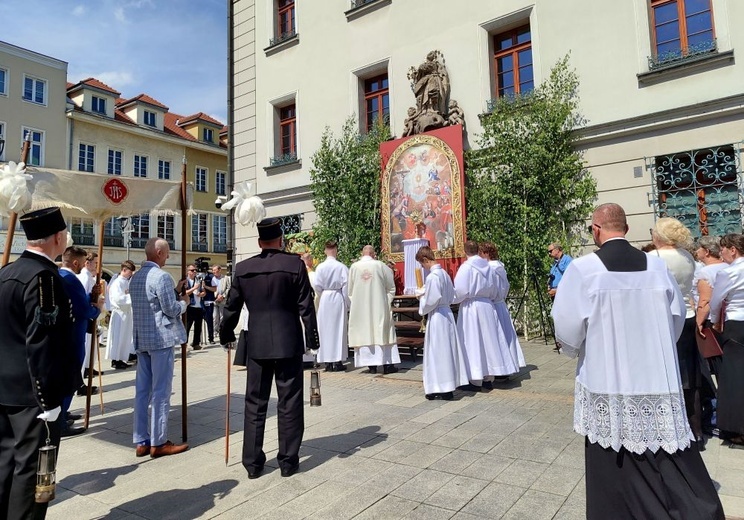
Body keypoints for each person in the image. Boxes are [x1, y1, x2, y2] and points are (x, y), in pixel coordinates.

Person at [552, 203, 723, 520]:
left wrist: (572, 349)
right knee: (663, 453)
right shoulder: (656, 268)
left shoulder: (583, 269)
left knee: (613, 451)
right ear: (627, 229)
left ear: (596, 230)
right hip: (655, 377)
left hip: (607, 376)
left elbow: (567, 327)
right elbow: (674, 321)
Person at [219, 217, 319, 479]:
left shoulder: (243, 268)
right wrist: (313, 339)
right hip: (288, 341)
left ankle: (253, 464)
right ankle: (288, 461)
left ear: (259, 241)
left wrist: (225, 333)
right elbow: (306, 306)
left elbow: (231, 307)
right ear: (280, 239)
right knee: (290, 402)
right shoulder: (294, 264)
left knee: (255, 403)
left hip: (257, 343)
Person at [0, 207, 79, 519]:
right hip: (33, 395)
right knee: (33, 472)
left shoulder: (6, 272)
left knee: (6, 463)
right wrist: (48, 399)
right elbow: (42, 342)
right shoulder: (45, 279)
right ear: (58, 238)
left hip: (7, 389)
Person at [130, 238, 189, 458]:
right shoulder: (161, 276)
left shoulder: (136, 277)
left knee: (142, 392)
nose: (168, 256)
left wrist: (175, 291)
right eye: (166, 253)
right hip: (160, 339)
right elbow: (171, 309)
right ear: (158, 252)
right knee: (161, 392)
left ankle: (141, 439)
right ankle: (159, 441)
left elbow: (152, 304)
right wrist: (184, 301)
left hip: (142, 339)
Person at [651, 217, 703, 444]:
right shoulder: (688, 256)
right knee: (689, 375)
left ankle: (670, 426)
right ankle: (697, 429)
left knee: (664, 373)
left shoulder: (654, 258)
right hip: (688, 315)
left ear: (659, 236)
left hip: (664, 318)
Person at [454, 240, 516, 390]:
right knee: (489, 341)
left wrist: (452, 299)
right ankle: (488, 377)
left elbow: (460, 290)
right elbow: (495, 288)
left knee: (473, 341)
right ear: (477, 250)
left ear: (465, 251)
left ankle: (475, 379)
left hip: (472, 306)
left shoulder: (466, 267)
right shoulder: (488, 267)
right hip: (487, 305)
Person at [59, 246, 103, 436]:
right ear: (76, 262)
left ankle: (62, 413)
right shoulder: (71, 280)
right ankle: (60, 421)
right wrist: (97, 308)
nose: (85, 265)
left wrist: (89, 296)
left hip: (65, 333)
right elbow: (83, 310)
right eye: (84, 262)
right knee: (71, 375)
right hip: (75, 333)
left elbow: (76, 301)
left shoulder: (59, 275)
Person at [415, 246, 468, 400]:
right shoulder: (444, 273)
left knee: (437, 351)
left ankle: (438, 387)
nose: (423, 267)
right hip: (447, 314)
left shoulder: (433, 276)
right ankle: (448, 387)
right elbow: (451, 294)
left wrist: (421, 299)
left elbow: (431, 300)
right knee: (447, 351)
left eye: (422, 264)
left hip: (437, 316)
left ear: (425, 260)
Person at [709, 233, 744, 447]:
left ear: (733, 249)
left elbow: (716, 302)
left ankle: (738, 428)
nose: (720, 253)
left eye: (723, 248)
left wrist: (714, 322)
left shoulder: (728, 273)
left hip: (736, 324)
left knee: (735, 377)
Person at [692, 236, 726, 438]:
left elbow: (704, 301)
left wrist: (697, 323)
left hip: (709, 325)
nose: (697, 252)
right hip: (725, 324)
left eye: (699, 249)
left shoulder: (705, 271)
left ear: (706, 251)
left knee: (707, 372)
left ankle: (714, 416)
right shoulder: (726, 267)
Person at [348, 245, 400, 374]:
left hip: (361, 309)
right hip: (379, 308)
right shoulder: (381, 266)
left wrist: (357, 303)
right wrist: (385, 301)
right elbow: (391, 288)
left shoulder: (354, 267)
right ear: (374, 254)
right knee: (382, 332)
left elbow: (350, 291)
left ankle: (371, 366)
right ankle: (387, 364)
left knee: (364, 332)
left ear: (362, 253)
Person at [479, 242, 526, 373]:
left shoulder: (490, 269)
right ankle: (509, 364)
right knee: (506, 336)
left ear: (486, 253)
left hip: (494, 304)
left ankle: (501, 368)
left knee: (497, 337)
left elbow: (489, 287)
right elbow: (506, 286)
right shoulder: (500, 267)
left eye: (481, 253)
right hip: (500, 304)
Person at [314, 241, 350, 372]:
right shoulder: (341, 267)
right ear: (336, 250)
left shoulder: (320, 267)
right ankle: (338, 361)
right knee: (338, 330)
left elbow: (317, 286)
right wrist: (347, 303)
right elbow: (346, 287)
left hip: (325, 298)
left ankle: (328, 362)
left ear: (325, 251)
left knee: (325, 330)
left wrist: (323, 294)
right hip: (337, 297)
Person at [106, 260, 136, 370]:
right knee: (118, 337)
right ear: (124, 270)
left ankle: (121, 358)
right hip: (119, 313)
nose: (131, 274)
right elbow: (118, 299)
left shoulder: (126, 282)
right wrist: (132, 297)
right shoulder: (117, 283)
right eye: (130, 272)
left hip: (126, 313)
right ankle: (115, 359)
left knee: (124, 337)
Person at [77, 251, 101, 380]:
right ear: (87, 263)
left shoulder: (88, 277)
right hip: (87, 317)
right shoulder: (85, 278)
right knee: (84, 348)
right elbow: (86, 299)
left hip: (88, 316)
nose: (97, 266)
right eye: (95, 263)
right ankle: (82, 377)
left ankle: (86, 369)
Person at [178, 264, 206, 350]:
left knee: (198, 326)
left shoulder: (199, 280)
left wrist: (201, 293)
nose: (194, 272)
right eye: (192, 270)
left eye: (195, 270)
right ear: (188, 272)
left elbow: (204, 292)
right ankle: (184, 343)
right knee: (187, 326)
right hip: (189, 306)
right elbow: (183, 293)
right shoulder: (185, 281)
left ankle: (196, 343)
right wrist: (194, 288)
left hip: (199, 306)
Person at [201, 264, 217, 345]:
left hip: (209, 301)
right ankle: (197, 340)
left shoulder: (211, 277)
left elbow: (214, 289)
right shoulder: (197, 276)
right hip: (199, 301)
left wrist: (205, 286)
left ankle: (211, 338)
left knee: (209, 320)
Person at [211, 264, 226, 335]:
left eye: (215, 270)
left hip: (223, 300)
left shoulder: (226, 278)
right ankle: (215, 331)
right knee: (215, 317)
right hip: (215, 300)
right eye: (212, 270)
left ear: (219, 270)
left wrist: (223, 296)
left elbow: (229, 288)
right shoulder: (211, 278)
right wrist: (216, 296)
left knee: (222, 316)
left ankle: (221, 330)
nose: (213, 271)